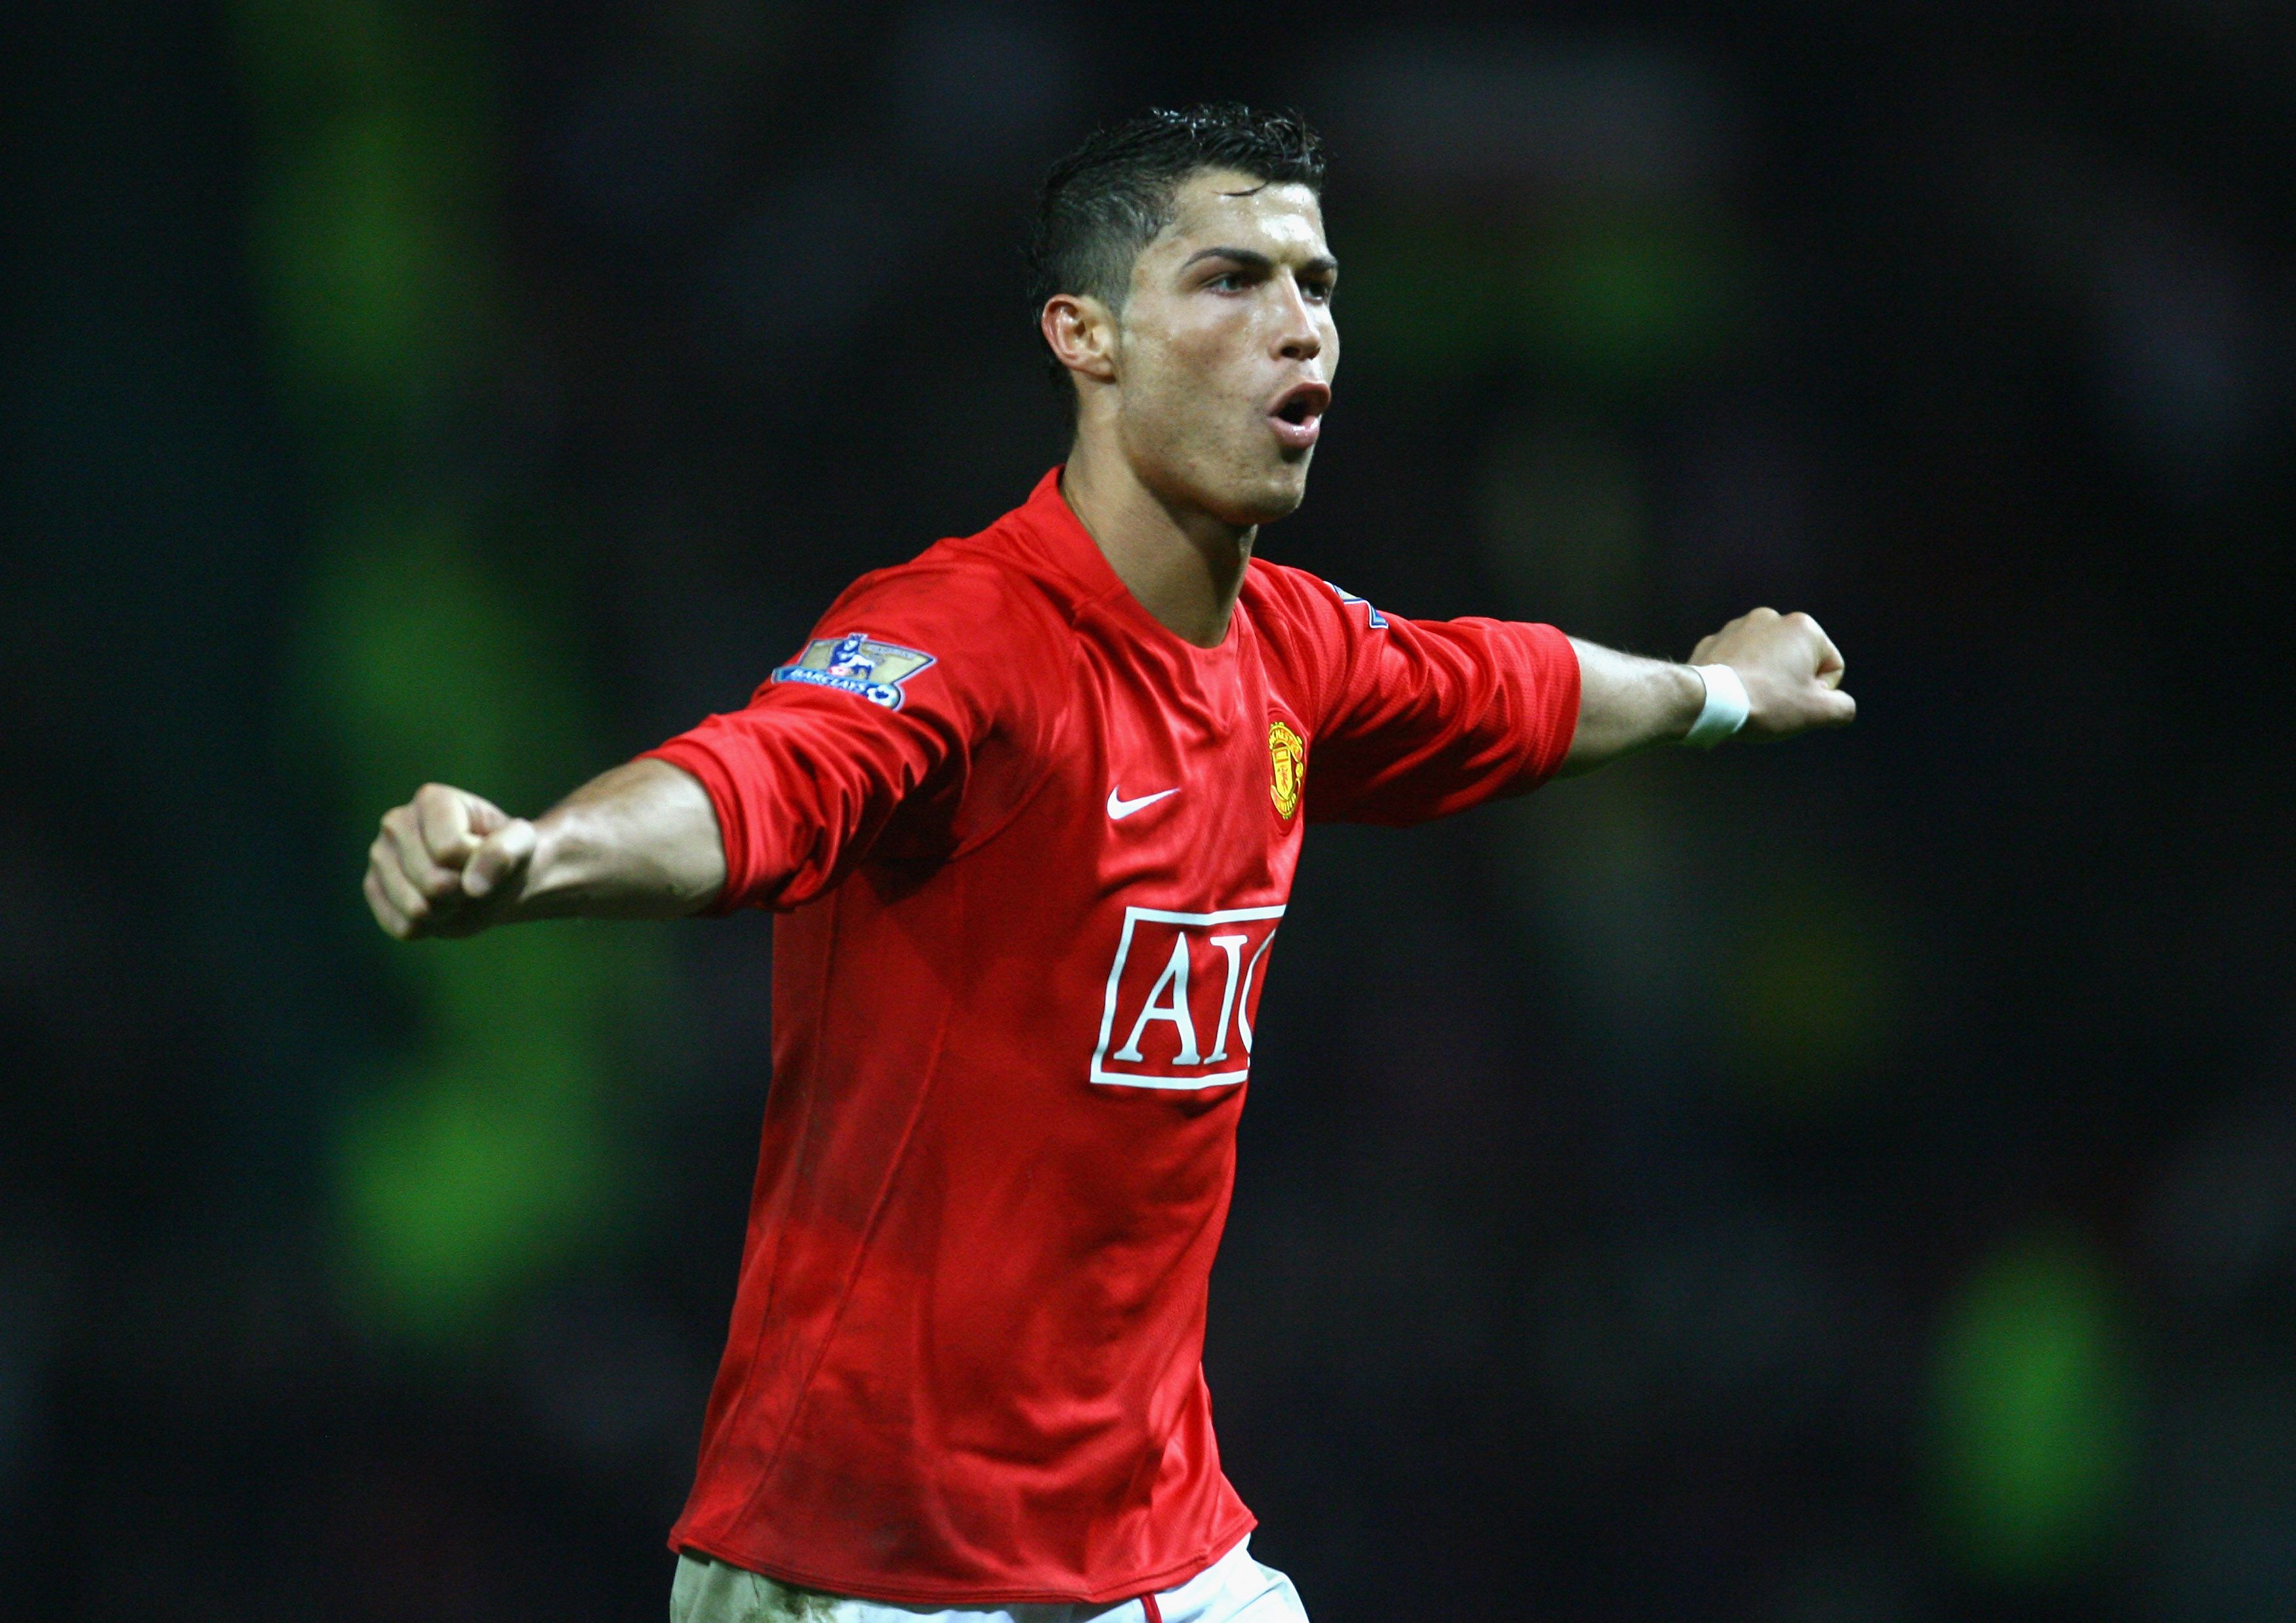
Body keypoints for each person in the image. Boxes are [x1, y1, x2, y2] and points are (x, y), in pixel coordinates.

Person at [361, 105, 1854, 1623]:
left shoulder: (1296, 650)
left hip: (1162, 1556)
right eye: (1231, 280)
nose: (1299, 327)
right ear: (1085, 336)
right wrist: (538, 857)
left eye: (1318, 284)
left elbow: (1515, 688)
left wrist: (1717, 691)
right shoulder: (964, 635)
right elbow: (757, 778)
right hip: (872, 1568)